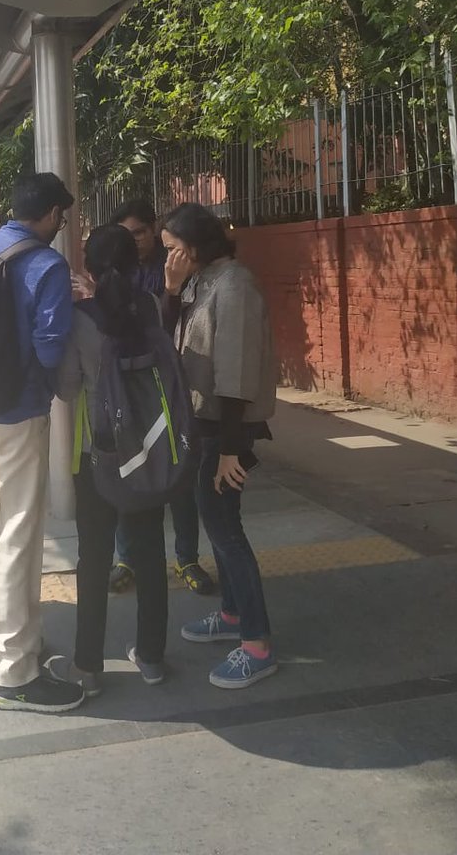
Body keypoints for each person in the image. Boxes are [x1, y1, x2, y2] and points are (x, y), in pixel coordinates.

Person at [0, 172, 84, 714]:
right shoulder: (46, 264)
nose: (61, 225)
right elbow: (52, 341)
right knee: (20, 533)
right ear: (52, 214)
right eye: (62, 215)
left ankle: (3, 646)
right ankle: (14, 675)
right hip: (19, 411)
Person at [161, 204, 279, 689]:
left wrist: (231, 449)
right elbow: (168, 338)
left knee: (226, 530)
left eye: (171, 249)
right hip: (206, 423)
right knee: (218, 522)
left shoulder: (235, 287)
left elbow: (235, 376)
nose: (167, 258)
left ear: (192, 246)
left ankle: (257, 644)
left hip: (227, 428)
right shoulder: (199, 279)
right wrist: (170, 292)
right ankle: (231, 614)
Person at [56, 225, 171, 695]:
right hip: (146, 450)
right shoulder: (151, 309)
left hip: (96, 453)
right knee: (149, 554)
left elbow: (65, 387)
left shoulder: (81, 318)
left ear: (91, 266)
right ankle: (151, 657)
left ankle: (87, 666)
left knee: (94, 558)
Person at [107, 197, 214, 598]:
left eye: (139, 231)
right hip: (133, 392)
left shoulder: (177, 268)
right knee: (131, 473)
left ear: (153, 229)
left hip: (172, 387)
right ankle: (125, 558)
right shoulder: (117, 273)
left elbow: (169, 329)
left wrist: (170, 289)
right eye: (126, 234)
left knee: (181, 477)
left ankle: (186, 557)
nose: (135, 240)